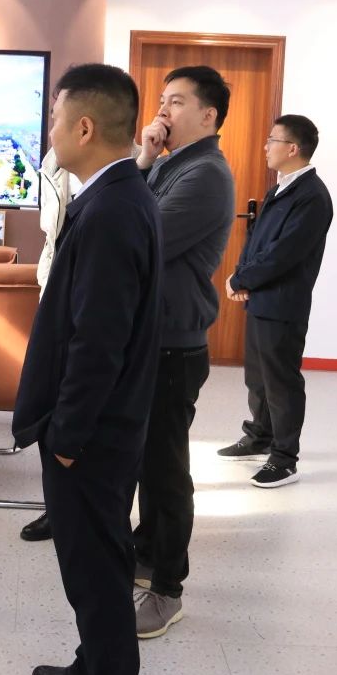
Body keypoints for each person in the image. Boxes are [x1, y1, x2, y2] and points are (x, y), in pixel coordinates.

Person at [12, 63, 162, 675]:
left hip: (92, 434)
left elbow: (97, 341)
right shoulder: (115, 195)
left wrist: (69, 436)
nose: (49, 131)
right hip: (104, 425)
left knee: (95, 563)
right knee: (92, 559)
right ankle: (92, 663)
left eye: (54, 118)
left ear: (84, 127)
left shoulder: (112, 209)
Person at [130, 65, 235, 640]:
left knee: (167, 472)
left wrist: (145, 170)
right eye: (162, 100)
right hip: (154, 338)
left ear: (208, 115)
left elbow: (139, 236)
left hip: (174, 345)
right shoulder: (174, 164)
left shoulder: (206, 175)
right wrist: (146, 158)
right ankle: (146, 553)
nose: (162, 111)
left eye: (176, 101)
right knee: (150, 462)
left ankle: (167, 589)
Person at [219, 114, 334, 487]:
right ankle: (260, 435)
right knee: (257, 376)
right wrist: (240, 275)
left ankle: (284, 459)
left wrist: (242, 279)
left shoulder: (312, 197)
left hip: (284, 304)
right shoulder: (280, 188)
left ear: (293, 148)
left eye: (273, 140)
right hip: (261, 298)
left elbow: (284, 254)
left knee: (281, 381)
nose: (266, 146)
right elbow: (255, 240)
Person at [18, 145, 80, 544]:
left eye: (58, 118)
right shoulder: (53, 162)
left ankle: (76, 509)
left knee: (77, 404)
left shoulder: (126, 170)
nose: (52, 130)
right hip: (53, 288)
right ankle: (55, 507)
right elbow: (51, 235)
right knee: (51, 404)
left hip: (83, 300)